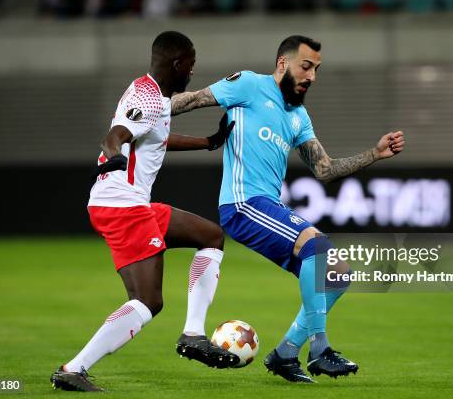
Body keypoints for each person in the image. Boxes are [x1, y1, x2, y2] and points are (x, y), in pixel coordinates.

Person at [170, 35, 405, 383]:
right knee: (317, 245)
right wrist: (143, 107)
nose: (311, 76)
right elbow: (188, 101)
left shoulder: (298, 116)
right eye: (305, 66)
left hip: (267, 205)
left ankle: (286, 353)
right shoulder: (249, 85)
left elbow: (324, 170)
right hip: (242, 204)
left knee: (337, 274)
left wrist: (375, 154)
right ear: (283, 64)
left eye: (316, 70)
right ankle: (321, 349)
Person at [50, 30, 239, 392]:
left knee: (211, 236)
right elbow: (116, 134)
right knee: (148, 301)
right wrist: (114, 155)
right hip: (122, 205)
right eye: (192, 65)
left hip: (133, 203)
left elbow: (158, 138)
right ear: (178, 63)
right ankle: (74, 368)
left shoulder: (155, 96)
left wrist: (208, 143)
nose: (192, 74)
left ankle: (193, 334)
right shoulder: (147, 98)